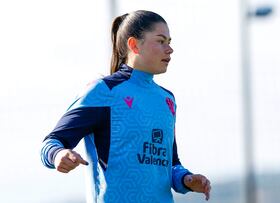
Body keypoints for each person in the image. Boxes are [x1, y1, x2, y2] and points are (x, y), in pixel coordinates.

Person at [40, 10, 211, 203]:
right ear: (134, 45)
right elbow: (50, 144)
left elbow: (169, 165)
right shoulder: (103, 92)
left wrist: (186, 180)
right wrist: (59, 154)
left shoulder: (167, 100)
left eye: (169, 42)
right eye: (161, 41)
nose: (169, 49)